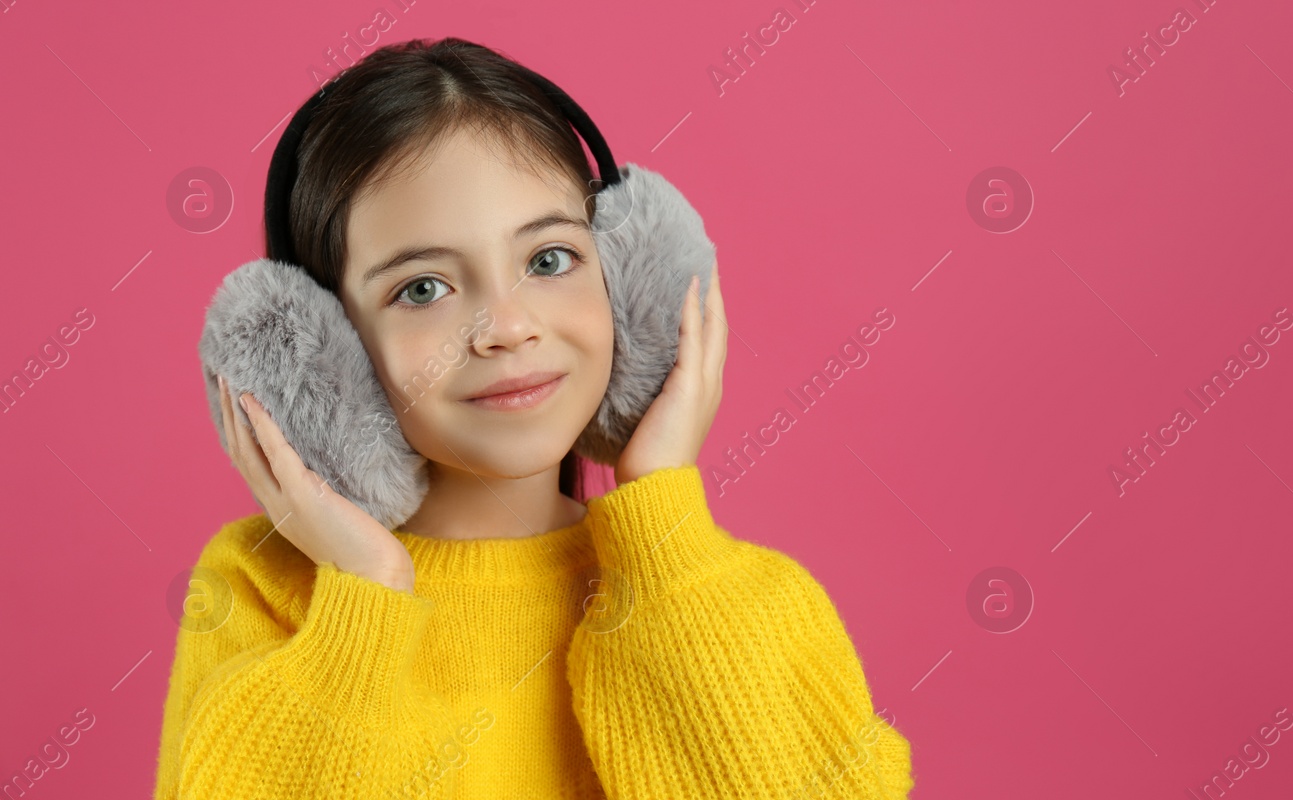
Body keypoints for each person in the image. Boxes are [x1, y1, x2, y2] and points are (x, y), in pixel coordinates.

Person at [152, 37, 912, 799]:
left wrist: (665, 531)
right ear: (326, 359)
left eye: (548, 260)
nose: (507, 328)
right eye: (422, 288)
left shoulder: (741, 598)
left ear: (627, 289)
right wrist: (368, 598)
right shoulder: (261, 591)